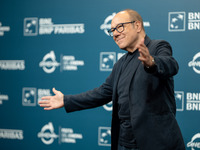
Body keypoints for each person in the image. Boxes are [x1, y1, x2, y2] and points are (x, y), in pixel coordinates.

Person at [39, 9, 186, 150]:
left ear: (137, 25)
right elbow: (102, 93)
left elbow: (171, 65)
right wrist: (66, 100)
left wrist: (151, 62)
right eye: (112, 30)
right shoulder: (120, 64)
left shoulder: (158, 46)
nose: (115, 34)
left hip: (156, 143)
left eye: (119, 27)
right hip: (124, 143)